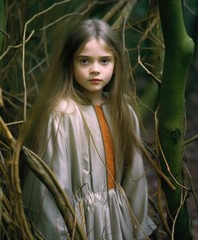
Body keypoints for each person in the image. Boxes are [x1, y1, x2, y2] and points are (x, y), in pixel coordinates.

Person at [21, 19, 156, 239]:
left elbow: (135, 180)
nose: (95, 70)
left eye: (104, 61)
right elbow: (51, 186)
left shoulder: (123, 111)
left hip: (118, 220)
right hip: (78, 224)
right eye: (84, 61)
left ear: (116, 63)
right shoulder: (62, 115)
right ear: (70, 63)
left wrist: (137, 228)